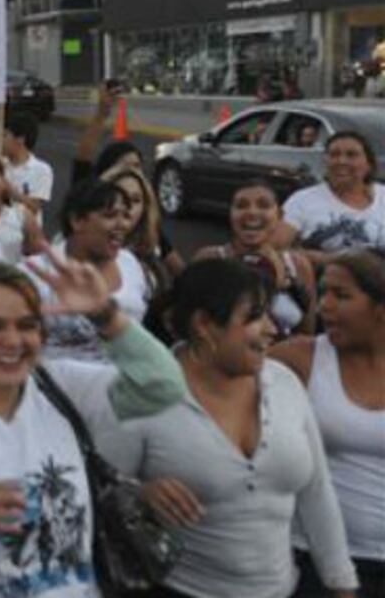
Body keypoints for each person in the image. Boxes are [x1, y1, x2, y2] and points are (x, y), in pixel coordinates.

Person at [0, 257, 186, 597]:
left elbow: (163, 386)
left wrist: (106, 315)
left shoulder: (62, 387)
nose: (12, 340)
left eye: (27, 325)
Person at [102, 259, 358, 598]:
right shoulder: (143, 395)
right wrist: (140, 494)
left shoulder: (284, 384)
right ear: (204, 324)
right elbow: (99, 491)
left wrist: (341, 584)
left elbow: (317, 493)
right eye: (255, 317)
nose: (273, 329)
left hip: (286, 589)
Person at [270, 250, 385, 598]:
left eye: (342, 295)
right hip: (313, 560)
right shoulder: (301, 358)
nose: (323, 308)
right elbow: (204, 374)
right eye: (324, 293)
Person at [23, 179, 150, 363]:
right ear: (76, 220)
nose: (122, 224)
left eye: (125, 216)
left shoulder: (131, 264)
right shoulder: (36, 272)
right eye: (110, 215)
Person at [193, 180, 316, 338]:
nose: (252, 212)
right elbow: (192, 329)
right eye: (241, 205)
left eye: (263, 205)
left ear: (279, 215)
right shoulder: (209, 259)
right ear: (230, 213)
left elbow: (307, 337)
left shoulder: (297, 265)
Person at [277, 131, 385, 262]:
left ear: (369, 164)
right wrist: (324, 259)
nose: (341, 161)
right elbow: (276, 248)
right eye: (334, 155)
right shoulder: (302, 201)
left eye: (351, 155)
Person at [107, 167, 183, 304]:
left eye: (136, 200)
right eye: (120, 197)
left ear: (145, 207)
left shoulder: (152, 256)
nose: (128, 207)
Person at [1, 113, 53, 215]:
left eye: (5, 135)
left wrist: (9, 190)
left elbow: (34, 206)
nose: (2, 141)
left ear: (20, 139)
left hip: (25, 229)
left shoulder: (42, 170)